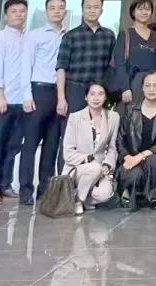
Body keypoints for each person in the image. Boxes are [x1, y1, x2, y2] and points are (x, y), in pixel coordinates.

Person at [19, 0, 67, 206]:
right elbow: (25, 66)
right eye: (52, 8)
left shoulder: (68, 36)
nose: (57, 11)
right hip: (39, 91)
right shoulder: (35, 36)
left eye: (61, 8)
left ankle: (45, 190)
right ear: (47, 12)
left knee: (51, 144)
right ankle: (25, 190)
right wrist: (27, 95)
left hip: (60, 93)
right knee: (30, 144)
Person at [0, 0, 28, 205]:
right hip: (1, 100)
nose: (19, 14)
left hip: (21, 102)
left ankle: (5, 184)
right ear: (6, 15)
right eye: (14, 11)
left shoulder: (27, 38)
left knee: (12, 146)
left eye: (22, 11)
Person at [116, 71, 156, 211]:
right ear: (142, 87)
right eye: (148, 85)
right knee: (135, 174)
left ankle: (149, 194)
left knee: (153, 161)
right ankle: (137, 193)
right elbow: (120, 138)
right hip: (132, 158)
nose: (151, 89)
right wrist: (127, 157)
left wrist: (142, 156)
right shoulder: (131, 109)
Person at [62, 83, 120, 214]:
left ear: (105, 97)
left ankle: (80, 199)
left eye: (100, 94)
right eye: (92, 94)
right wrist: (88, 159)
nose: (96, 98)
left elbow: (112, 147)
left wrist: (107, 164)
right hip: (77, 168)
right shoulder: (75, 117)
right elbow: (68, 153)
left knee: (105, 194)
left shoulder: (114, 117)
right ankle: (78, 201)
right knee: (94, 168)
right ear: (86, 97)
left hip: (100, 169)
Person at [57, 0, 116, 120]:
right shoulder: (71, 36)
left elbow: (112, 66)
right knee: (72, 127)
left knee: (98, 129)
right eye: (88, 7)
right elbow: (61, 68)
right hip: (75, 90)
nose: (92, 10)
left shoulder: (109, 35)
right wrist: (61, 98)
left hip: (99, 91)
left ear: (101, 10)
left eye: (96, 7)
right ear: (82, 10)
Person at [109, 0, 156, 106]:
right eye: (140, 9)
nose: (144, 12)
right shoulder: (125, 34)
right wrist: (125, 88)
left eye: (147, 9)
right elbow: (119, 64)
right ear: (133, 12)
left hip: (151, 87)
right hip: (131, 86)